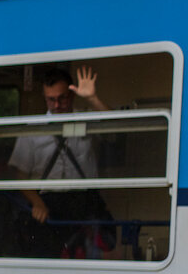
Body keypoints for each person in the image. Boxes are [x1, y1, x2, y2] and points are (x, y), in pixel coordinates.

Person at [8, 65, 114, 257]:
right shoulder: (31, 128)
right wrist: (37, 203)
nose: (57, 105)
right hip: (48, 204)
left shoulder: (86, 118)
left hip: (85, 201)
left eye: (62, 98)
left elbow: (115, 131)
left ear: (72, 94)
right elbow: (20, 175)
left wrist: (92, 98)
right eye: (51, 99)